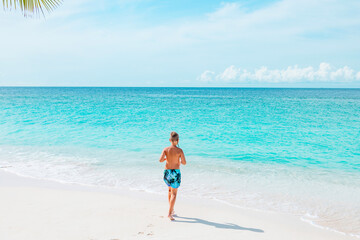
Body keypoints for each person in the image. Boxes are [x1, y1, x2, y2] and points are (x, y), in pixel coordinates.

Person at [159, 131, 187, 221]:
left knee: (170, 191)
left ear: (170, 140)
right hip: (175, 172)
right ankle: (169, 213)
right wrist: (179, 161)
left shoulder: (166, 149)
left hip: (167, 172)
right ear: (177, 140)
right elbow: (184, 162)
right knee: (174, 194)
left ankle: (172, 210)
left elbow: (160, 160)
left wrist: (166, 158)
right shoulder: (180, 150)